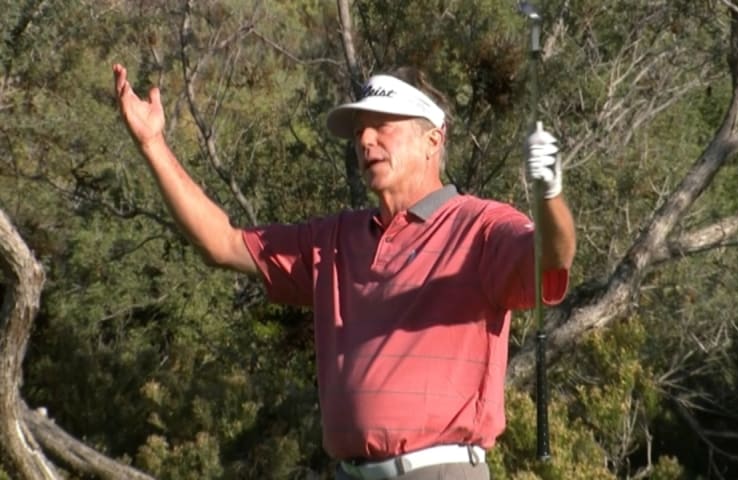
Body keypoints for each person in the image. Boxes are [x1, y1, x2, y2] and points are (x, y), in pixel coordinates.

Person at [113, 63, 576, 480]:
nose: (365, 140)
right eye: (359, 131)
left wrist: (549, 193)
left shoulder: (480, 226)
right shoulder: (334, 239)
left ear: (433, 139)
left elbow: (551, 258)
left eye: (381, 127)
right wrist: (153, 144)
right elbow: (224, 244)